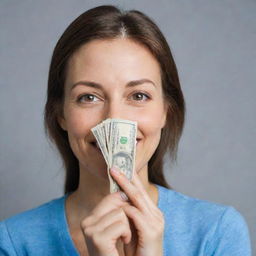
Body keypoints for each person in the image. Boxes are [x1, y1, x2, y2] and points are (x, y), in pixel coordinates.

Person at [0, 5, 251, 256]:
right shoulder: (14, 242)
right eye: (89, 97)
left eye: (139, 95)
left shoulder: (217, 233)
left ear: (166, 111)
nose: (114, 120)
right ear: (60, 115)